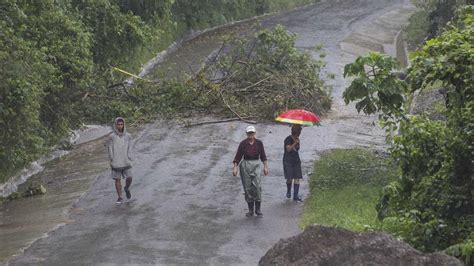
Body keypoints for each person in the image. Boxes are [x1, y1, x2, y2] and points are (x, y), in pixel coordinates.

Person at [233, 125, 269, 217]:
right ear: (246, 134)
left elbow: (263, 156)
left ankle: (258, 209)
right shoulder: (243, 144)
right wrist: (235, 168)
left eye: (252, 133)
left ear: (255, 133)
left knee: (257, 186)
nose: (250, 135)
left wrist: (265, 167)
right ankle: (250, 210)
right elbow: (237, 157)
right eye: (249, 133)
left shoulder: (259, 143)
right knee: (247, 187)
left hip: (256, 164)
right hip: (245, 165)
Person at [107, 117, 133, 204]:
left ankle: (126, 188)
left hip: (125, 160)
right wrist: (111, 158)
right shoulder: (112, 136)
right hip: (116, 161)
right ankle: (120, 197)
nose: (120, 126)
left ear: (124, 125)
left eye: (121, 124)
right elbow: (110, 148)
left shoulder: (128, 136)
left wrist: (129, 156)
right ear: (115, 125)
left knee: (129, 177)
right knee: (117, 179)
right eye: (118, 124)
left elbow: (130, 146)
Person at [283, 124, 303, 202]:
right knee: (289, 178)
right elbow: (288, 149)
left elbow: (297, 149)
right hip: (288, 160)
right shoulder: (288, 139)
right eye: (299, 131)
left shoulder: (298, 139)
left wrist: (297, 142)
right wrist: (295, 143)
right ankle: (288, 191)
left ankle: (296, 196)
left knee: (297, 178)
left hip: (296, 160)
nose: (299, 133)